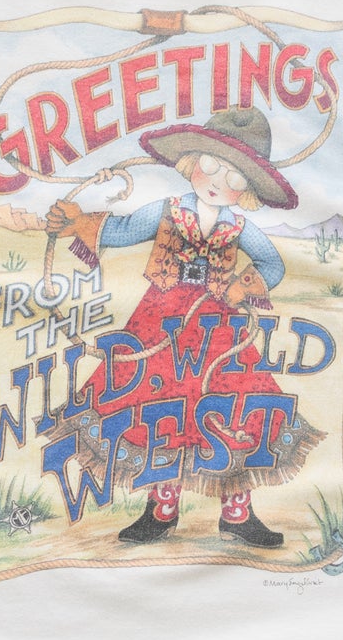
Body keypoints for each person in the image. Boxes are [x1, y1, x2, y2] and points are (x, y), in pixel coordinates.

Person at [44, 106, 325, 549]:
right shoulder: (167, 210)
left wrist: (241, 285)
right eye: (210, 165)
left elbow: (272, 264)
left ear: (248, 190)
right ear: (192, 161)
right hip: (159, 327)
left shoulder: (240, 227)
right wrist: (78, 222)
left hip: (219, 331)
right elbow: (122, 231)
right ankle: (161, 509)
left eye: (235, 177)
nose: (218, 181)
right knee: (158, 407)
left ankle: (236, 513)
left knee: (232, 409)